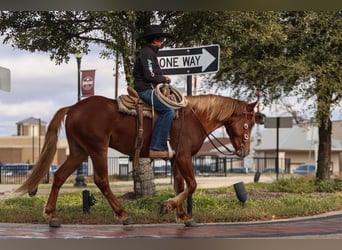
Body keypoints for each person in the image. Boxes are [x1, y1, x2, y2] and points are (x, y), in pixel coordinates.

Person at [133, 24, 175, 159]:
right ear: (155, 40)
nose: (162, 42)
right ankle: (156, 146)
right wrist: (165, 79)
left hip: (148, 88)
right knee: (168, 110)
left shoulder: (149, 53)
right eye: (161, 39)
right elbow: (150, 76)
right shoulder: (147, 54)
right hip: (145, 90)